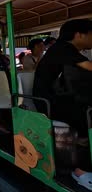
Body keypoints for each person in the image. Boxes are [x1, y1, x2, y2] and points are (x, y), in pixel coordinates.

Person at [33, 19, 92, 185]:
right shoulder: (64, 48)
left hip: (60, 97)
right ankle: (78, 168)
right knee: (86, 116)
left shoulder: (66, 49)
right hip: (49, 101)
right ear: (79, 34)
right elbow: (89, 68)